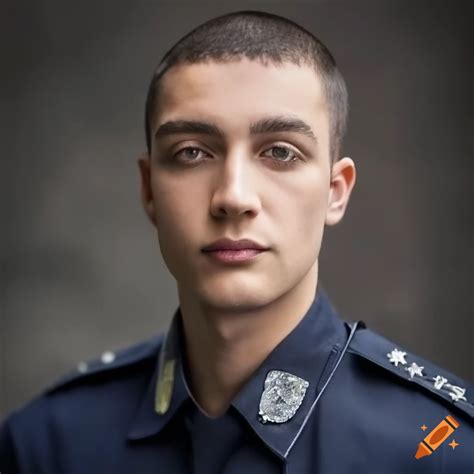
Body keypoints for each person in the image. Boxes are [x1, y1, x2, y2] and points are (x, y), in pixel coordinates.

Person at [0, 10, 472, 474]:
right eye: (192, 152)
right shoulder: (47, 446)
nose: (233, 197)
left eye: (281, 152)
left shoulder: (438, 452)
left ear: (335, 192)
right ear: (148, 190)